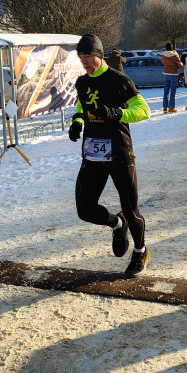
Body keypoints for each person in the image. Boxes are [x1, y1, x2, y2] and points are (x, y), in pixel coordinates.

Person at [69, 33, 151, 275]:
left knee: (131, 209)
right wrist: (77, 121)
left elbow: (144, 110)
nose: (84, 62)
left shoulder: (119, 81)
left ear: (99, 56)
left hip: (120, 154)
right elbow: (82, 104)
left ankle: (140, 252)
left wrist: (117, 114)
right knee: (84, 209)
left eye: (87, 57)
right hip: (93, 155)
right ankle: (117, 224)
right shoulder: (82, 83)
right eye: (80, 57)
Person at [161, 42, 183, 113]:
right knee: (172, 91)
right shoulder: (175, 55)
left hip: (166, 73)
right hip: (173, 74)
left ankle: (165, 107)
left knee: (166, 91)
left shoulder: (163, 55)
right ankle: (171, 107)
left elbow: (163, 62)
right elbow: (180, 66)